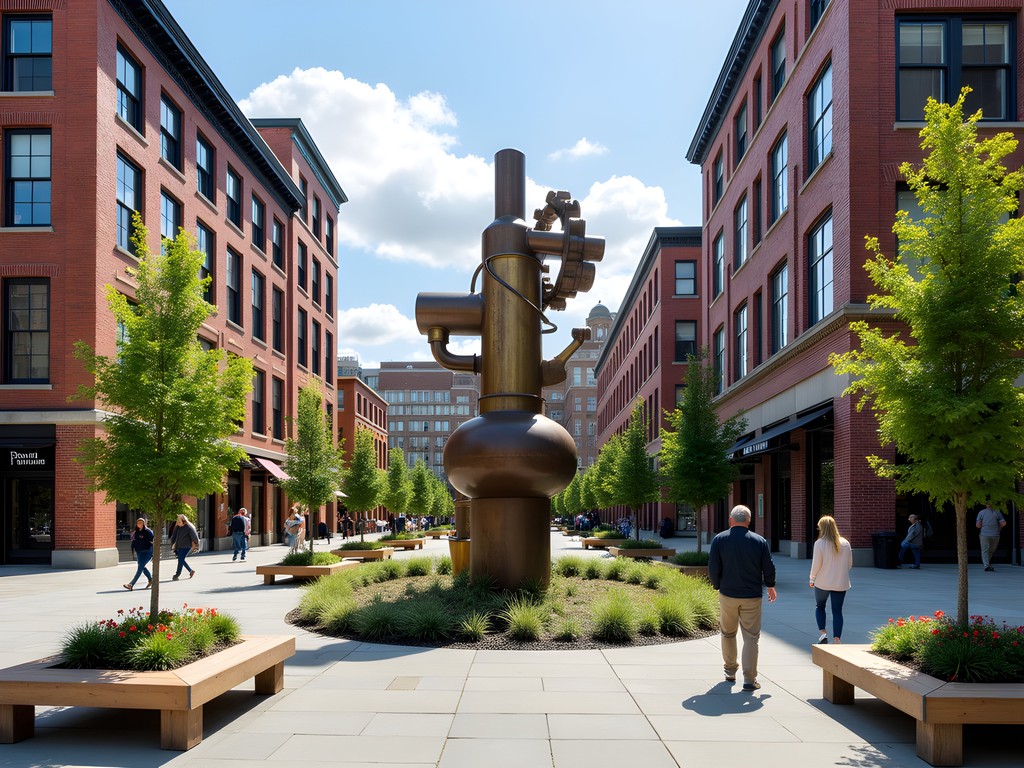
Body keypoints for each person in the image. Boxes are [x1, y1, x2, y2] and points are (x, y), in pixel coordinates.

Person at [708, 504, 777, 691]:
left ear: (731, 520)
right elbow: (768, 567)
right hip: (752, 595)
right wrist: (770, 585)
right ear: (749, 521)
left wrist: (717, 585)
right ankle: (749, 679)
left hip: (728, 594)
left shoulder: (719, 540)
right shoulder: (759, 541)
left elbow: (713, 567)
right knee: (751, 638)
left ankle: (730, 671)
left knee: (728, 633)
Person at [809, 516, 853, 645]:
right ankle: (837, 639)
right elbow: (849, 564)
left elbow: (816, 564)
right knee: (837, 611)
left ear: (822, 528)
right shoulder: (845, 543)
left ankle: (823, 633)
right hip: (840, 582)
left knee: (820, 606)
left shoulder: (819, 543)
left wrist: (812, 578)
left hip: (822, 582)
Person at [123, 517, 154, 591]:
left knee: (140, 568)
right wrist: (133, 553)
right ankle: (151, 579)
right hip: (139, 552)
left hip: (146, 552)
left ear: (144, 524)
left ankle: (131, 584)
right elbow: (134, 542)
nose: (139, 524)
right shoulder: (136, 532)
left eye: (140, 523)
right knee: (141, 567)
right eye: (138, 523)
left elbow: (151, 542)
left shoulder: (148, 531)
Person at [976, 505, 1006, 572]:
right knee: (988, 550)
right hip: (991, 535)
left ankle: (986, 564)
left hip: (987, 534)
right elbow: (1003, 523)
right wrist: (998, 526)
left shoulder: (982, 512)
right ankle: (986, 565)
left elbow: (978, 525)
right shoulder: (996, 512)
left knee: (987, 550)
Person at [170, 513, 199, 580]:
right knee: (181, 560)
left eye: (179, 521)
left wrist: (196, 543)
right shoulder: (177, 527)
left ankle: (180, 574)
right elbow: (174, 535)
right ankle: (180, 574)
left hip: (186, 546)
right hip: (179, 546)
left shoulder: (188, 527)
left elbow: (194, 536)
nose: (177, 522)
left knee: (181, 559)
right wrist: (172, 543)